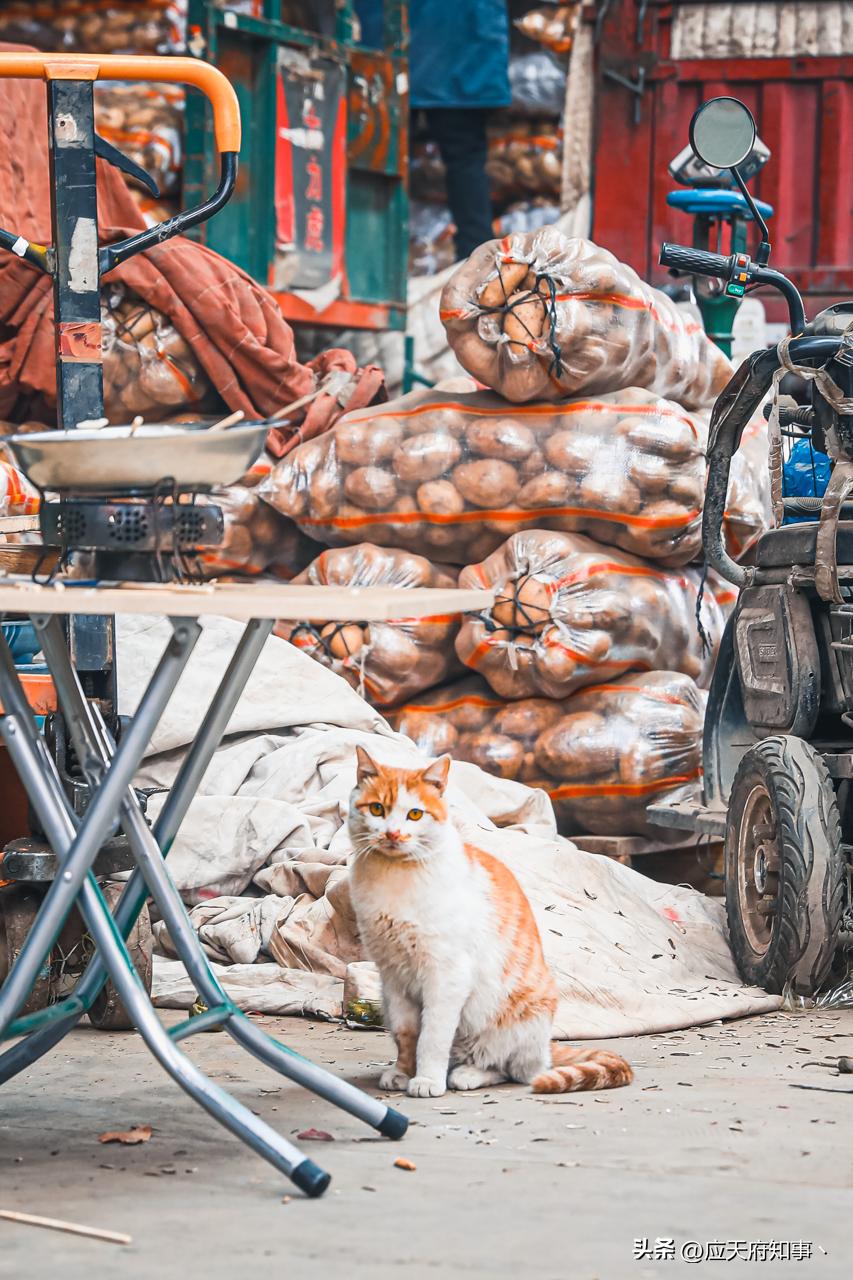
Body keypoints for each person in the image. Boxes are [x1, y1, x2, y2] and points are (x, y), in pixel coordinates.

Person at [357, 0, 510, 260]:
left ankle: (373, 258)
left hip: (397, 35)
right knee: (465, 161)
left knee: (383, 154)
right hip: (462, 41)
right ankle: (478, 266)